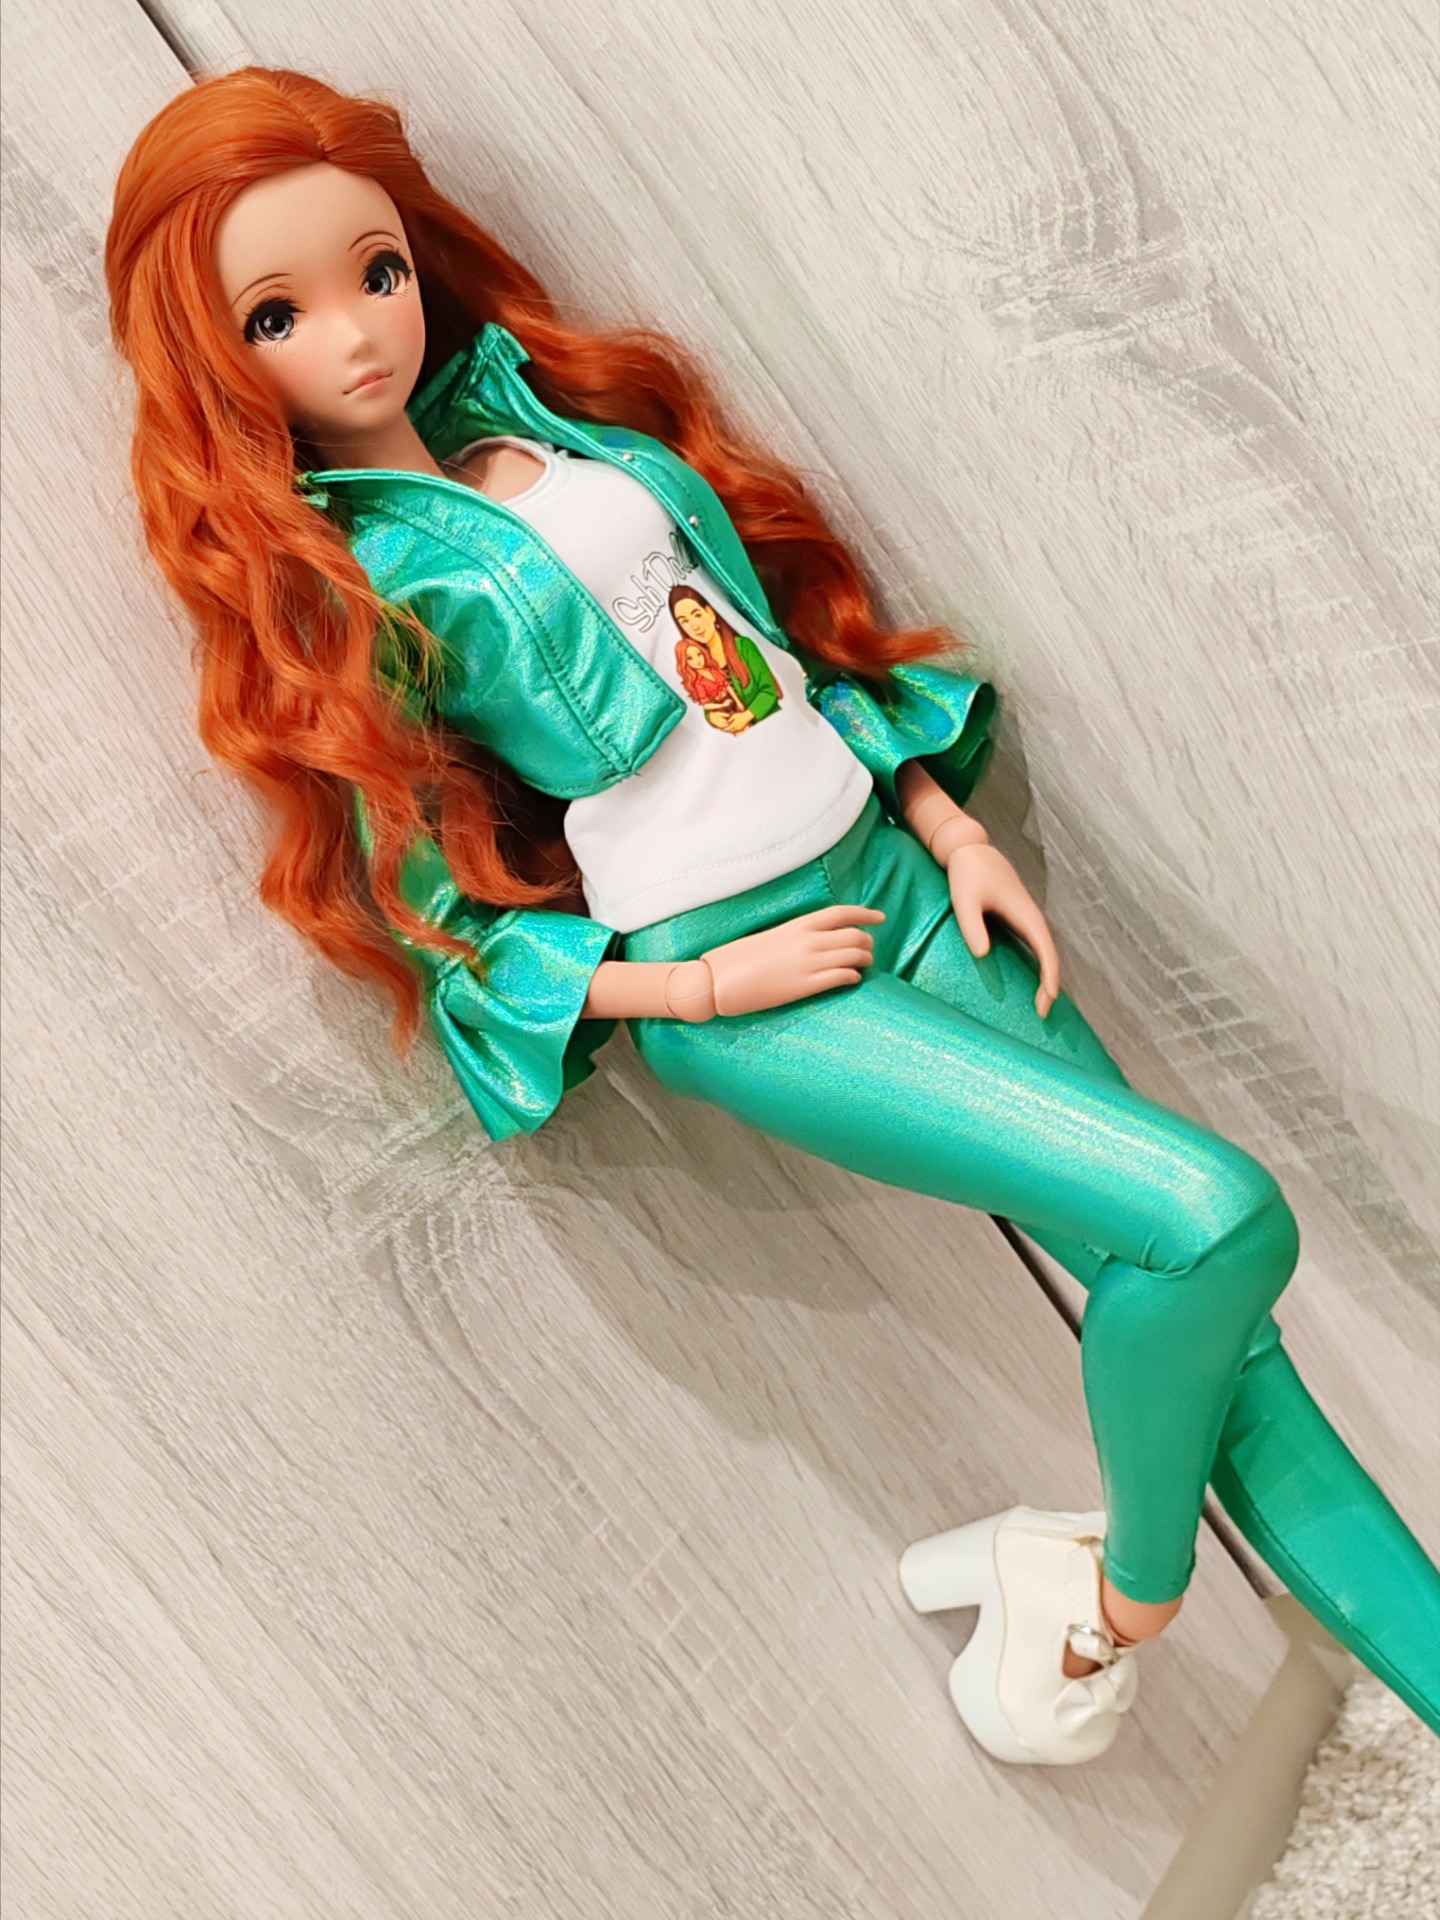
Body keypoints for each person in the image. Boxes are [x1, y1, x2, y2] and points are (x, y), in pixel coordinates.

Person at [104, 64, 1440, 1766]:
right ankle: (1129, 1603)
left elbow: (762, 651)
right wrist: (702, 993)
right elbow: (448, 929)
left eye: (375, 270)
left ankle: (1136, 1615)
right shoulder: (350, 582)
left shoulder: (541, 420)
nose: (359, 331)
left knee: (1227, 1346)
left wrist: (940, 816)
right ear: (218, 359)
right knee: (1215, 1219)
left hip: (897, 874)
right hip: (756, 979)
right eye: (279, 314)